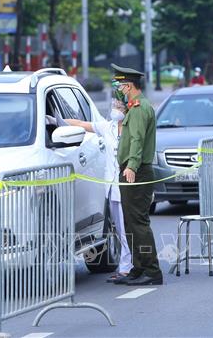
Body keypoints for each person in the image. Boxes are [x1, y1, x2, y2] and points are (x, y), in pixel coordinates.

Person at [61, 100, 134, 282]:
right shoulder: (107, 127)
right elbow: (81, 125)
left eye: (118, 107)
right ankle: (126, 267)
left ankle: (129, 268)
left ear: (127, 109)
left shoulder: (133, 129)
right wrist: (55, 120)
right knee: (120, 230)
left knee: (128, 229)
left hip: (128, 185)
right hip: (112, 186)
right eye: (114, 106)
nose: (114, 110)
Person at [110, 63, 163, 286]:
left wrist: (131, 165)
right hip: (132, 171)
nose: (117, 89)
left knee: (138, 222)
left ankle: (151, 270)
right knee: (130, 223)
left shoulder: (140, 109)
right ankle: (138, 267)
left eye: (119, 85)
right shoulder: (133, 107)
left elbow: (137, 140)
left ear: (128, 85)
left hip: (137, 172)